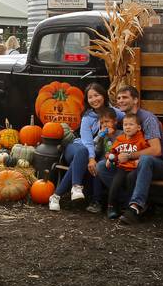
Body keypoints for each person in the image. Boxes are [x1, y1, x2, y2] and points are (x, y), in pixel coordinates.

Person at [95, 85, 163, 223]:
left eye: (125, 97)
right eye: (118, 98)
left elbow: (156, 150)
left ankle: (135, 207)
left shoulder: (148, 119)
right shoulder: (126, 119)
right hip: (130, 164)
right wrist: (113, 156)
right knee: (101, 167)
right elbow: (121, 143)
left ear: (135, 100)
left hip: (156, 164)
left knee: (145, 160)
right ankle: (128, 201)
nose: (120, 101)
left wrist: (129, 156)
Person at [48, 83, 124, 212]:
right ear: (87, 100)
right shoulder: (87, 117)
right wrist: (91, 158)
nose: (94, 99)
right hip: (77, 147)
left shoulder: (114, 112)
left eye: (97, 95)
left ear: (104, 95)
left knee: (89, 161)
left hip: (95, 150)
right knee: (84, 152)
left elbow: (130, 120)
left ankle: (56, 196)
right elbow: (87, 143)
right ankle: (76, 186)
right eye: (90, 97)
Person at [105, 112, 150, 219]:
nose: (127, 127)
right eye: (125, 125)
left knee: (131, 180)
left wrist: (139, 160)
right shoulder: (120, 139)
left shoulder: (141, 140)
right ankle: (111, 206)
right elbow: (113, 151)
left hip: (135, 168)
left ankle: (128, 206)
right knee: (116, 183)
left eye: (131, 124)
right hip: (122, 167)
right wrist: (110, 158)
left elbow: (146, 152)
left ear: (138, 127)